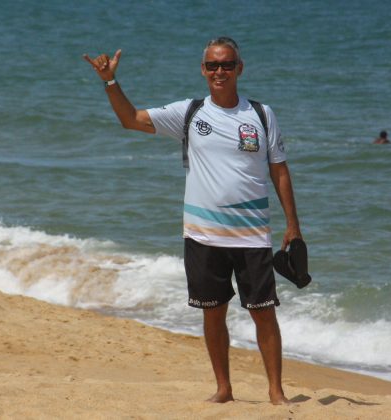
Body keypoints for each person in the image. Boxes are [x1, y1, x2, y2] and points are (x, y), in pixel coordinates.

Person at [84, 37, 302, 405]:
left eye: (227, 65)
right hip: (202, 236)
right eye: (213, 65)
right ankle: (224, 389)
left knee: (263, 314)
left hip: (252, 236)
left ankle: (276, 392)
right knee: (212, 314)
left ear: (239, 69)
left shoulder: (262, 115)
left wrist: (293, 225)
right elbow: (130, 119)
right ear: (203, 70)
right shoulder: (190, 113)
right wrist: (109, 81)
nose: (220, 71)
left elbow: (279, 170)